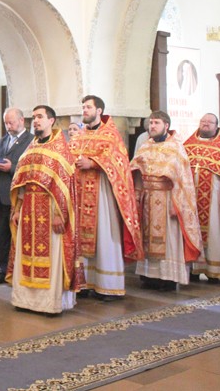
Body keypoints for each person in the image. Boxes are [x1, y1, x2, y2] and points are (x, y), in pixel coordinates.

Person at [69, 95, 143, 300]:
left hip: (102, 194)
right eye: (83, 107)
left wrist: (93, 163)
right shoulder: (79, 136)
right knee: (80, 239)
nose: (84, 110)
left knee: (105, 236)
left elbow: (119, 162)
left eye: (88, 107)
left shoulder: (111, 135)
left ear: (99, 111)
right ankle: (84, 283)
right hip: (80, 194)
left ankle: (108, 285)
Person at [9, 105, 79, 314]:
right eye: (34, 117)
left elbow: (66, 187)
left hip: (50, 209)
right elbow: (21, 182)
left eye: (40, 117)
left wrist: (60, 214)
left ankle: (49, 304)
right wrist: (17, 209)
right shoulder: (30, 148)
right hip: (28, 209)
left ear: (51, 120)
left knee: (52, 256)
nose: (36, 121)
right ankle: (25, 301)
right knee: (25, 255)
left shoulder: (60, 150)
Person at [130, 111, 203, 291]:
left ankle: (168, 278)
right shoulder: (145, 146)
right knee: (147, 239)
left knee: (169, 240)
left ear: (166, 126)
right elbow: (135, 170)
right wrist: (137, 195)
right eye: (151, 123)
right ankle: (149, 276)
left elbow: (183, 179)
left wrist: (177, 204)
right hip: (148, 198)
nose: (152, 126)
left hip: (167, 198)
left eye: (156, 123)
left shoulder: (176, 147)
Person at [183, 113, 220, 283]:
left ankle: (215, 271)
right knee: (191, 231)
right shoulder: (187, 145)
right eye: (203, 121)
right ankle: (193, 269)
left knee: (216, 234)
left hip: (214, 200)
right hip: (191, 199)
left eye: (210, 122)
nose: (206, 124)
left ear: (216, 126)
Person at [0, 107, 34, 285]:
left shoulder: (31, 141)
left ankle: (19, 271)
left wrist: (11, 168)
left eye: (11, 122)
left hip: (18, 197)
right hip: (0, 196)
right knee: (1, 235)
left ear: (22, 120)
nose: (8, 126)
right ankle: (3, 270)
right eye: (6, 123)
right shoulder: (1, 141)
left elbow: (31, 168)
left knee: (19, 236)